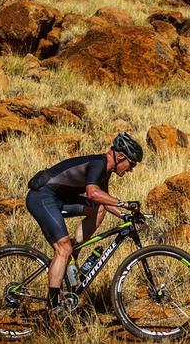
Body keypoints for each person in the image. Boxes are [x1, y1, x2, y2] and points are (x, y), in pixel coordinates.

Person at [25, 132, 143, 311]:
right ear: (120, 156)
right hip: (42, 197)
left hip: (57, 199)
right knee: (63, 249)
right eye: (131, 163)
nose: (131, 169)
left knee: (99, 208)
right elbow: (92, 193)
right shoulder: (99, 164)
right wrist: (125, 204)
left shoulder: (105, 171)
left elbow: (102, 200)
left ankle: (75, 249)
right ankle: (54, 305)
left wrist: (125, 215)